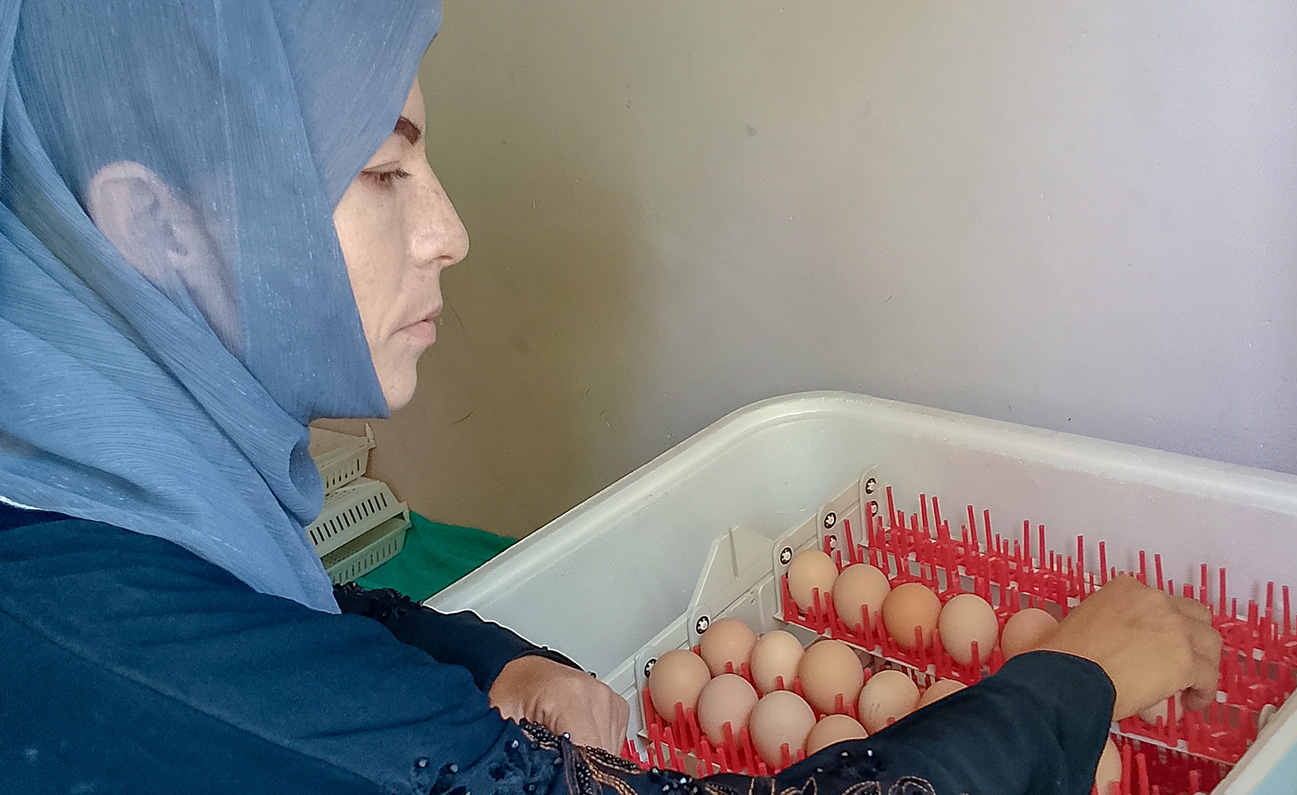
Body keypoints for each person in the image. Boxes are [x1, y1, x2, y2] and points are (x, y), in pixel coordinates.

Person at [0, 2, 1222, 794]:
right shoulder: (98, 644)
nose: (449, 231)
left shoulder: (83, 493)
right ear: (157, 222)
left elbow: (278, 624)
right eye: (382, 171)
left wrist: (481, 661)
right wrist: (1072, 682)